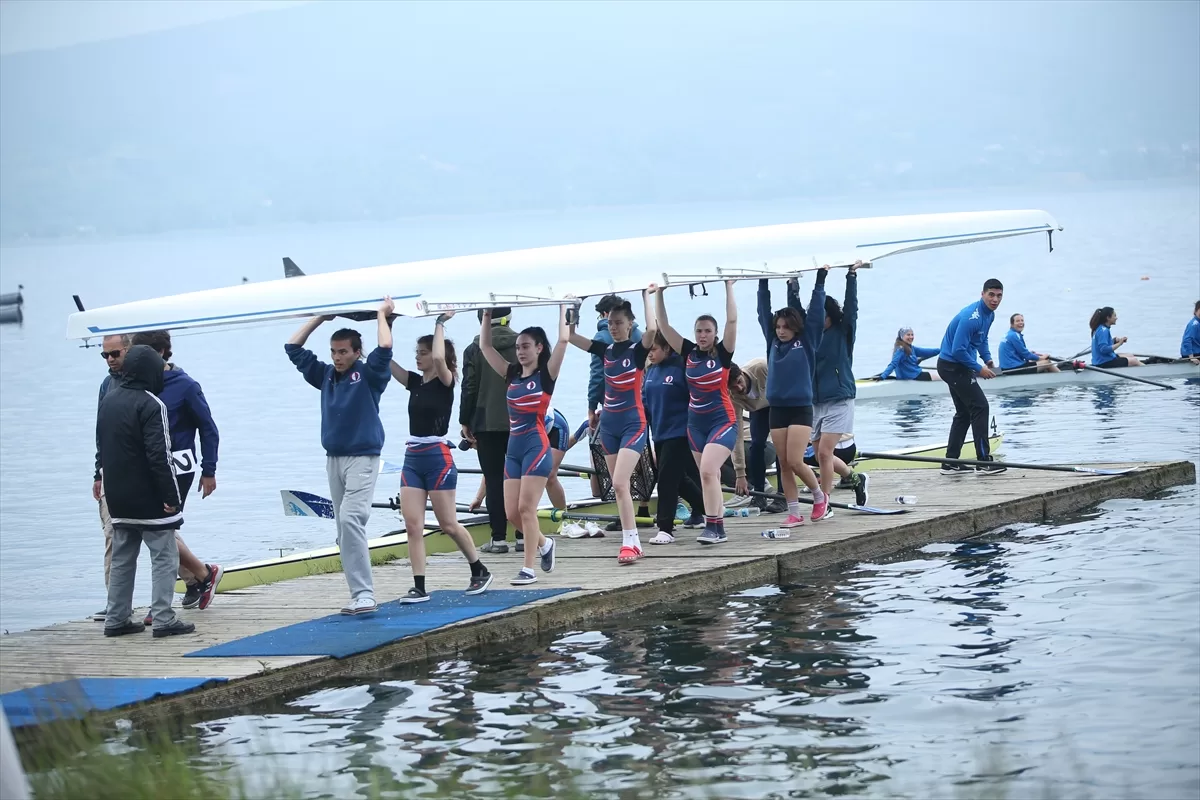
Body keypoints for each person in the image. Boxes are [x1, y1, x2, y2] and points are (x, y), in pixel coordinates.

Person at [286, 299, 394, 615]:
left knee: (351, 519)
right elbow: (292, 347)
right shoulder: (325, 375)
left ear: (357, 352)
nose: (337, 357)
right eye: (333, 351)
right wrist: (320, 316)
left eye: (343, 351)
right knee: (341, 527)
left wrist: (380, 315)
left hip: (363, 457)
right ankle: (356, 594)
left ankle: (365, 594)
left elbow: (385, 345)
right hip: (333, 459)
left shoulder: (370, 374)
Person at [389, 312, 492, 602]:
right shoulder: (414, 382)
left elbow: (438, 358)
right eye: (417, 353)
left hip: (438, 459)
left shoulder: (446, 382)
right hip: (412, 457)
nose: (419, 358)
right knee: (413, 525)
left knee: (448, 524)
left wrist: (439, 323)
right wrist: (386, 324)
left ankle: (478, 569)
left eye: (423, 353)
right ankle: (419, 586)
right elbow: (384, 360)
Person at [97, 344, 194, 638]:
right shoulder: (152, 404)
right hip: (149, 497)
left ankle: (116, 618)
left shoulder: (109, 400)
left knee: (123, 557)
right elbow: (159, 454)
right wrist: (171, 497)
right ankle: (164, 618)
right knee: (164, 556)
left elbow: (102, 448)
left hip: (117, 496)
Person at [131, 330, 224, 616]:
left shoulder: (184, 385)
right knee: (160, 529)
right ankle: (200, 577)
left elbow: (208, 429)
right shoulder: (136, 384)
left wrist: (209, 470)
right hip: (146, 467)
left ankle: (165, 602)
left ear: (160, 352)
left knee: (158, 530)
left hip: (178, 467)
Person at [479, 306, 568, 584]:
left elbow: (563, 340)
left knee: (527, 509)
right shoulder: (511, 374)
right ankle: (545, 544)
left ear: (539, 348)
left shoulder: (546, 376)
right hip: (513, 449)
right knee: (511, 514)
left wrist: (564, 308)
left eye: (526, 346)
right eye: (518, 347)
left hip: (536, 447)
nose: (520, 351)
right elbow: (485, 345)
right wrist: (486, 315)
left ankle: (528, 569)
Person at [568, 289, 656, 563]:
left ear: (630, 324)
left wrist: (647, 296)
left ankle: (631, 542)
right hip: (609, 425)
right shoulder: (604, 350)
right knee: (619, 487)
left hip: (633, 423)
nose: (613, 327)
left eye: (619, 323)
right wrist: (574, 306)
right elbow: (569, 337)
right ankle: (631, 540)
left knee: (619, 482)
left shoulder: (638, 350)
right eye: (610, 323)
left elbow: (653, 328)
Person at [655, 280, 738, 545]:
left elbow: (732, 321)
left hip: (722, 421)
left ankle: (716, 527)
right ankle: (715, 522)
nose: (702, 335)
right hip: (695, 425)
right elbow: (664, 327)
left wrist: (728, 287)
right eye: (699, 331)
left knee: (706, 471)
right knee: (708, 476)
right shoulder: (689, 352)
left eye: (707, 331)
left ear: (714, 334)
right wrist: (659, 294)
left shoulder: (723, 354)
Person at [758, 272, 826, 527]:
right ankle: (794, 513)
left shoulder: (806, 341)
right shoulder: (772, 342)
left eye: (786, 327)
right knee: (784, 464)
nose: (781, 331)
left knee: (796, 460)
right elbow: (762, 311)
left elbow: (817, 314)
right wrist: (762, 281)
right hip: (777, 409)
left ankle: (820, 497)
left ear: (795, 327)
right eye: (778, 327)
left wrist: (820, 280)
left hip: (800, 409)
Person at [460, 307, 520, 553]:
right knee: (520, 478)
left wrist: (465, 420)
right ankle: (523, 536)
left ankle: (498, 539)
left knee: (494, 479)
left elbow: (469, 387)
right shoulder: (523, 344)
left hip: (485, 423)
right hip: (520, 420)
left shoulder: (473, 349)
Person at [812, 262, 866, 519]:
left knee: (824, 452)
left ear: (831, 315)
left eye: (821, 315)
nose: (817, 320)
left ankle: (825, 502)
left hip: (840, 397)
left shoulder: (843, 332)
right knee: (816, 453)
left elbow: (852, 307)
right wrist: (794, 284)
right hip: (814, 400)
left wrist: (851, 276)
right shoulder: (810, 336)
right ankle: (853, 477)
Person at [937, 279, 1007, 475]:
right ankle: (983, 461)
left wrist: (988, 359)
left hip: (960, 365)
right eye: (991, 295)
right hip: (952, 366)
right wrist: (979, 368)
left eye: (999, 295)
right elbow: (957, 350)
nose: (995, 300)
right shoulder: (972, 317)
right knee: (980, 407)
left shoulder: (989, 315)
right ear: (982, 294)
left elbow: (981, 339)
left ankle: (950, 462)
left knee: (964, 413)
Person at [643, 331, 706, 543]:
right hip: (659, 433)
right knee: (679, 480)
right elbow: (644, 401)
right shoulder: (650, 371)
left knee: (667, 480)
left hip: (680, 432)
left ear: (667, 348)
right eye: (648, 350)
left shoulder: (681, 367)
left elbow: (697, 397)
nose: (650, 354)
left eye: (654, 349)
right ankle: (710, 507)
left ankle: (665, 528)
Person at [469, 409, 588, 514]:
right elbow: (492, 470)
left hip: (554, 426)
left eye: (472, 445)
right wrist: (479, 499)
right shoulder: (493, 434)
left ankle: (565, 518)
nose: (472, 449)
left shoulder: (500, 435)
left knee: (549, 476)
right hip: (531, 432)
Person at [90, 334, 128, 620]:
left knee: (161, 537)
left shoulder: (146, 380)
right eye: (105, 355)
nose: (110, 360)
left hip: (140, 475)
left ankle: (196, 577)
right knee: (111, 538)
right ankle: (115, 604)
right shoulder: (107, 384)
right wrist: (97, 473)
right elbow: (101, 431)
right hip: (110, 474)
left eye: (115, 354)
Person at [728, 358, 785, 513]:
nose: (739, 388)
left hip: (780, 403)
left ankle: (782, 495)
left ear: (741, 372)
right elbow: (737, 435)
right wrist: (740, 474)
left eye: (739, 381)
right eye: (734, 387)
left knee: (782, 448)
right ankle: (759, 495)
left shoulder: (761, 367)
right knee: (757, 446)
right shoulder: (732, 396)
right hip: (758, 409)